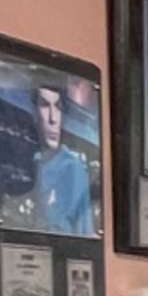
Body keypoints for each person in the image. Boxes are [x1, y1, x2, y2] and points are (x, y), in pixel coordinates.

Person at [29, 78, 96, 235]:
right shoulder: (32, 163)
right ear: (34, 112)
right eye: (45, 106)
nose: (53, 118)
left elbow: (84, 234)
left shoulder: (72, 168)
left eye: (58, 107)